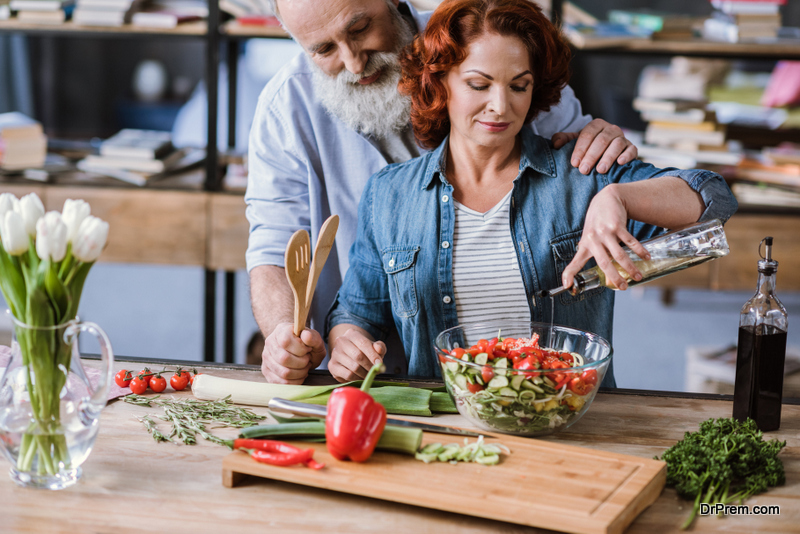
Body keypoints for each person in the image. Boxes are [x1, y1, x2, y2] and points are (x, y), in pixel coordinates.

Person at [325, 0, 738, 385]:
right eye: (479, 84)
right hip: (447, 427)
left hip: (568, 416)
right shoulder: (390, 195)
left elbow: (714, 198)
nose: (501, 106)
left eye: (518, 86)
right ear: (440, 84)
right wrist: (347, 344)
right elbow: (356, 314)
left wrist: (620, 197)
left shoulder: (582, 173)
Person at [248, 0, 640, 385]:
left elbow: (581, 155)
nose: (353, 62)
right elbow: (274, 246)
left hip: (522, 363)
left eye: (360, 29)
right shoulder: (286, 106)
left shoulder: (487, 43)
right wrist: (284, 334)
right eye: (324, 49)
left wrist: (603, 154)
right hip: (369, 371)